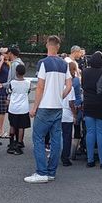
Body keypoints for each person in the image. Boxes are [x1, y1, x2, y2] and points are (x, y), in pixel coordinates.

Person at [24, 35, 71, 184]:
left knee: (38, 138)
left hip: (45, 106)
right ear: (58, 46)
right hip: (58, 106)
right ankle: (51, 172)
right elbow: (69, 86)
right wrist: (60, 96)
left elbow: (40, 86)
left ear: (47, 45)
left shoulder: (43, 63)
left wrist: (34, 107)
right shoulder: (64, 64)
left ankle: (41, 172)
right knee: (56, 139)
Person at [82, 52, 102, 168]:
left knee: (90, 132)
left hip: (88, 103)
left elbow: (83, 86)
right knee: (101, 133)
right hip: (101, 104)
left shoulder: (85, 72)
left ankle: (90, 160)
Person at [6, 64, 30, 155]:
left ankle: (11, 144)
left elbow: (9, 92)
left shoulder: (12, 83)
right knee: (21, 127)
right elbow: (28, 92)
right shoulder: (28, 83)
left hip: (13, 108)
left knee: (12, 125)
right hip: (23, 108)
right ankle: (19, 144)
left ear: (16, 72)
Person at [59, 78, 77, 167]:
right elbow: (71, 103)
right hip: (67, 114)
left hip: (57, 112)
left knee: (56, 136)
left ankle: (54, 155)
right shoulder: (70, 88)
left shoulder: (57, 86)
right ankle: (65, 158)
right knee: (67, 137)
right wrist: (74, 115)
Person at [0, 47, 10, 138]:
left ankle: (2, 130)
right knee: (1, 111)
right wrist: (1, 60)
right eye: (5, 53)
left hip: (6, 89)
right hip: (0, 90)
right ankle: (0, 131)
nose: (7, 54)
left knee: (4, 111)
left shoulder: (8, 63)